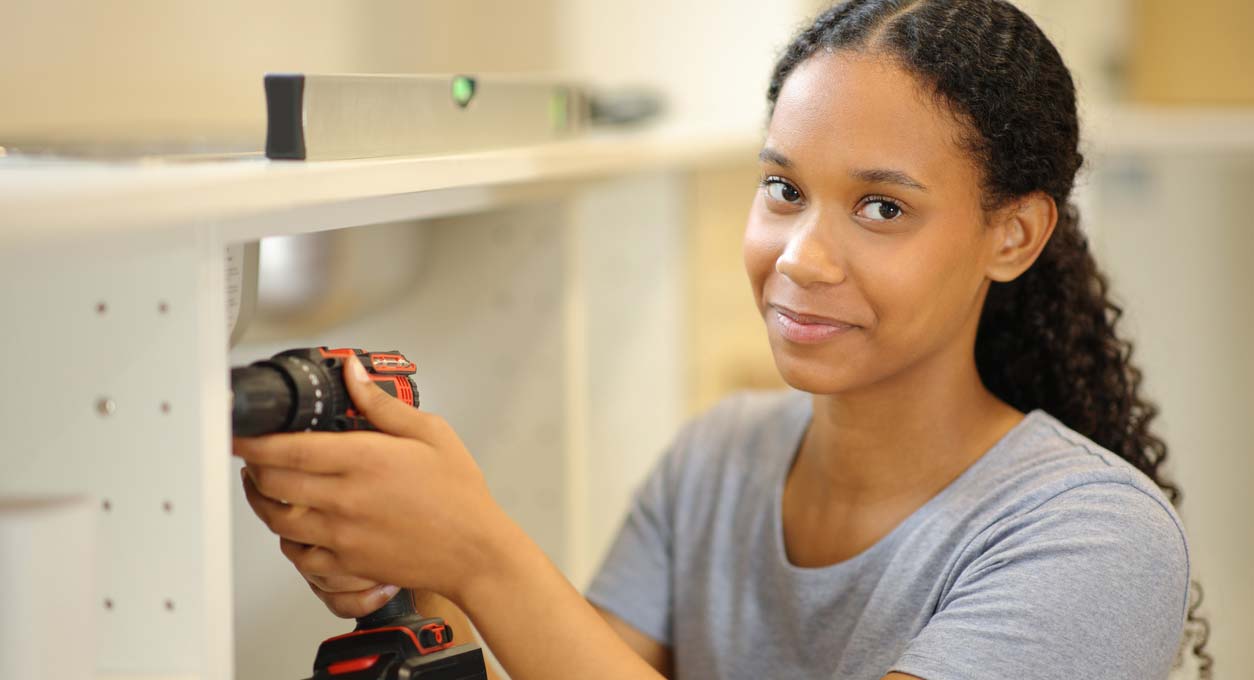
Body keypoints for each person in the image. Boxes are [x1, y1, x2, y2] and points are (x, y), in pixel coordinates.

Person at [233, 1, 1211, 678]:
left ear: (1014, 234)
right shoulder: (718, 458)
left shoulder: (1095, 539)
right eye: (784, 188)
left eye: (880, 206)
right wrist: (411, 574)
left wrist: (483, 554)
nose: (802, 257)